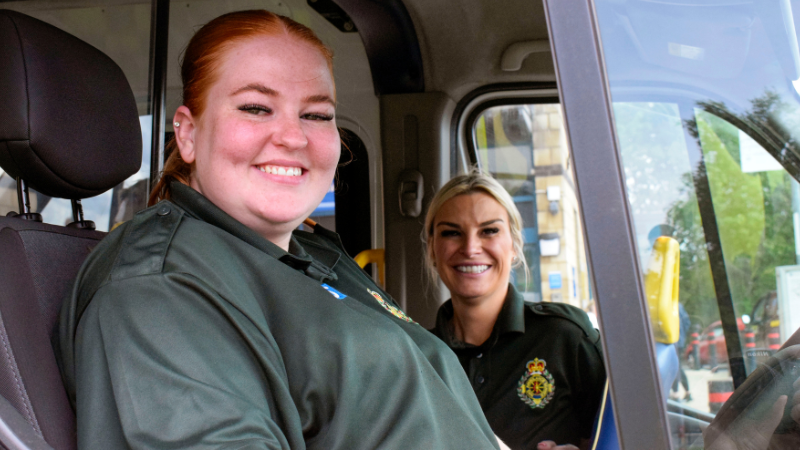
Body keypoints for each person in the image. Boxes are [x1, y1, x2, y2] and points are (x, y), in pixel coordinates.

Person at [57, 10, 501, 449]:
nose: (293, 137)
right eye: (256, 108)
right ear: (188, 134)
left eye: (316, 115)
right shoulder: (156, 292)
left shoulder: (310, 256)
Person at [424, 171, 606, 450]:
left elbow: (626, 434)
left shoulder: (565, 337)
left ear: (514, 245)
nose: (471, 248)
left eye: (489, 231)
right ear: (433, 250)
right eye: (451, 233)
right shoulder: (416, 356)